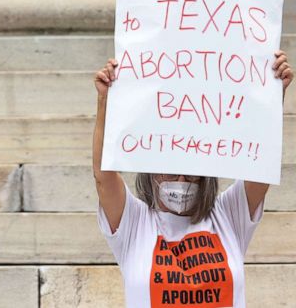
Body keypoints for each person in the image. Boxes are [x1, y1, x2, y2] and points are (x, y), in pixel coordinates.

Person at [93, 51, 293, 307]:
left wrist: (272, 94)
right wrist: (105, 102)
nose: (181, 177)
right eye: (170, 168)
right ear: (151, 171)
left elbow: (260, 163)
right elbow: (103, 175)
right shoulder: (134, 223)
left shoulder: (228, 215)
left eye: (190, 171)